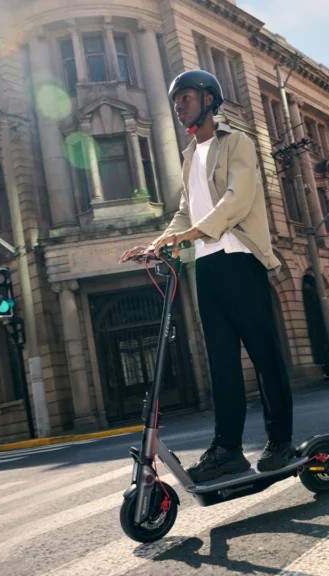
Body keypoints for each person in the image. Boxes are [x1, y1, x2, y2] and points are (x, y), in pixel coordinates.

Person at [119, 70, 296, 483]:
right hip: (208, 265)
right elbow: (186, 210)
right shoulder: (188, 157)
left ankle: (280, 440)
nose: (179, 105)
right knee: (221, 362)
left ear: (210, 99)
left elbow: (238, 198)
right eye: (175, 100)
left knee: (264, 354)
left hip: (240, 257)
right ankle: (228, 450)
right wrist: (159, 243)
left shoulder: (237, 143)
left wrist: (191, 232)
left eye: (186, 97)